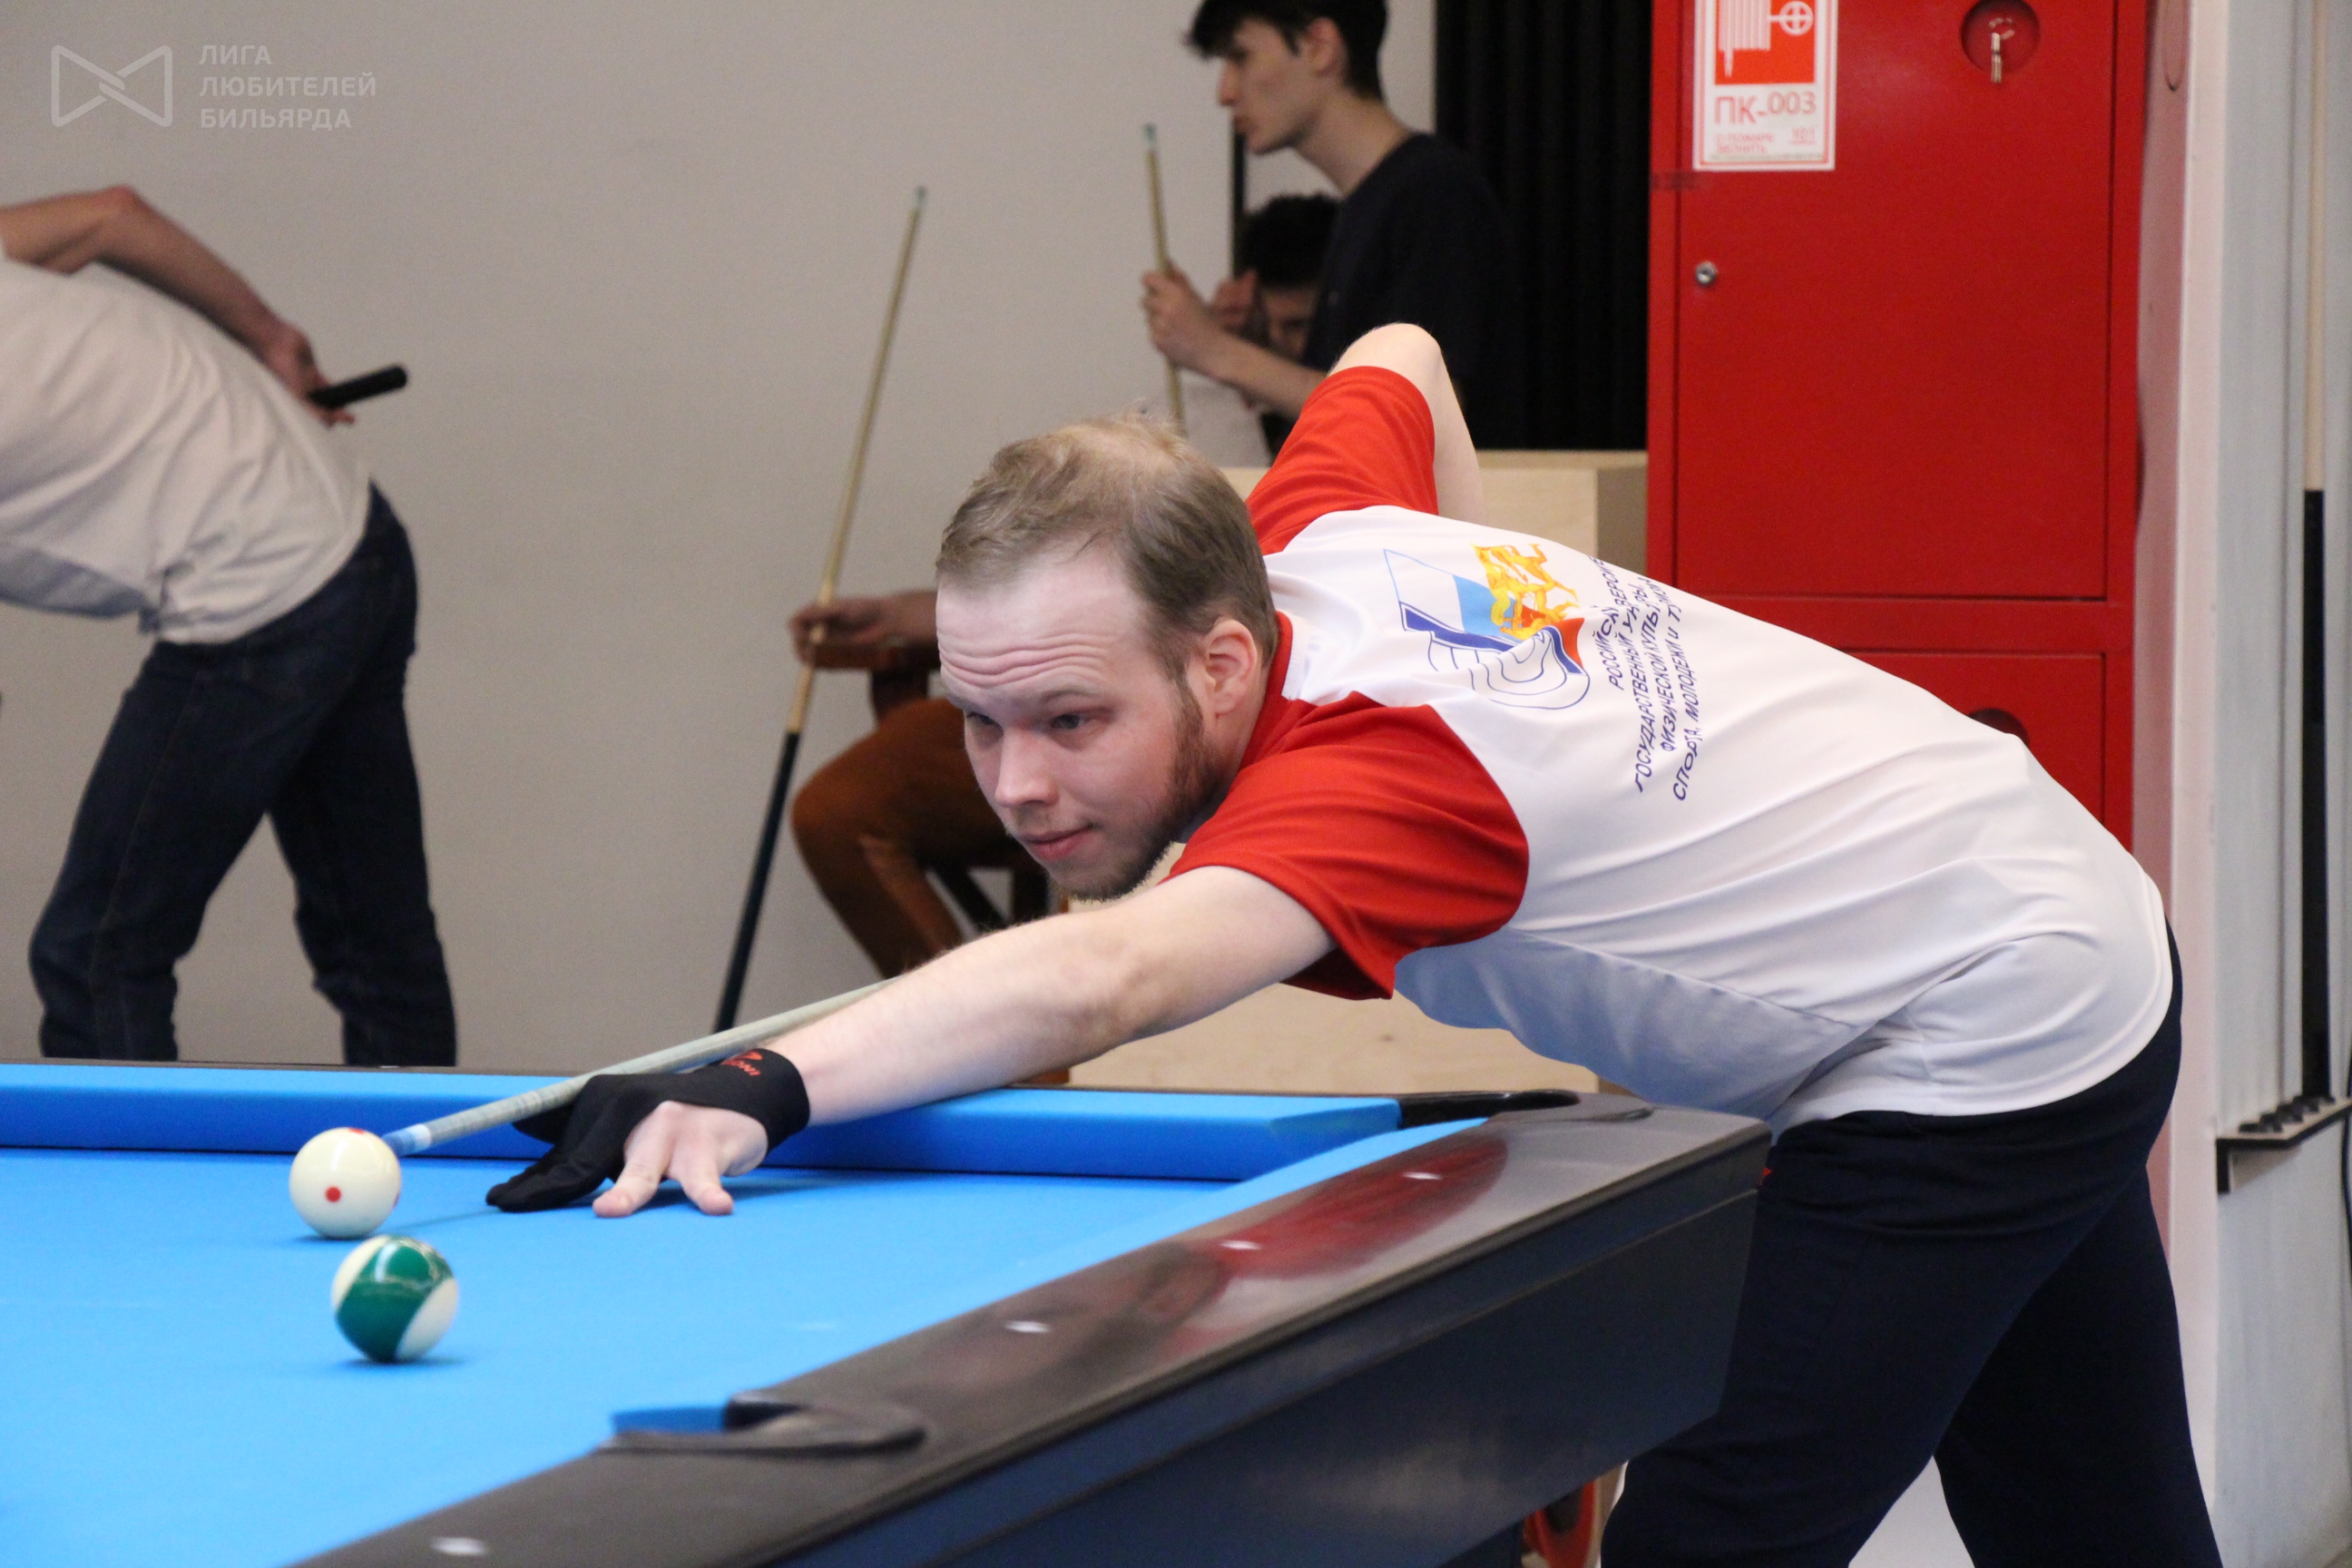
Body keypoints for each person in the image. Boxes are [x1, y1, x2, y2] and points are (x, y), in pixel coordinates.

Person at [495, 323, 2221, 1567]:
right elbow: (1400, 353)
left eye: (1073, 720)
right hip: (2040, 906)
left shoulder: (1374, 775)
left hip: (1975, 1029)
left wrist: (761, 1076)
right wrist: (1479, 570)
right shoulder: (1315, 527)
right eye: (981, 718)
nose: (1016, 785)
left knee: (1710, 1537)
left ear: (1223, 663)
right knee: (2097, 1520)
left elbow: (1111, 975)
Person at [788, 201, 1336, 975]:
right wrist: (910, 615)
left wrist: (1223, 356)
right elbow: (1084, 584)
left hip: (1214, 707)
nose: (1014, 789)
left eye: (1297, 328)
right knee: (838, 809)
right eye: (979, 721)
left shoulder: (1292, 464)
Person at [0, 187, 456, 1065]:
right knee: (375, 939)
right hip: (353, 534)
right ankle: (424, 1148)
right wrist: (270, 337)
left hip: (268, 597)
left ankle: (122, 1168)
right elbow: (111, 215)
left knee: (96, 956)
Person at [1142, 0, 1528, 446]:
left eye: (1241, 57)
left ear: (1320, 48)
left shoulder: (1434, 190)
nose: (1225, 92)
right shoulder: (1368, 207)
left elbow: (1421, 413)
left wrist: (1217, 352)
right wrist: (1260, 350)